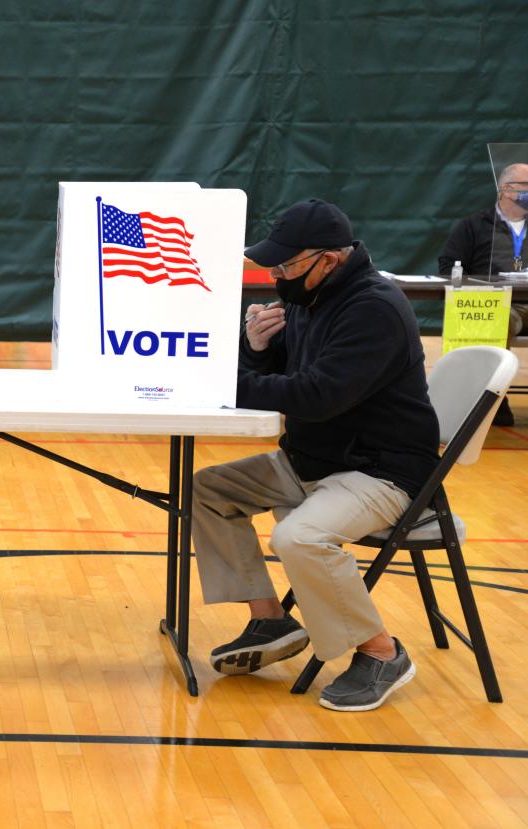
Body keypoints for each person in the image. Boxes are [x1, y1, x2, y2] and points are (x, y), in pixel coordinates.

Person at [195, 199, 440, 712]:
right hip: (312, 460)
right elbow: (283, 372)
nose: (277, 275)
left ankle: (383, 652)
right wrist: (258, 349)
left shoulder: (372, 308)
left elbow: (316, 396)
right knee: (206, 490)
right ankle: (271, 620)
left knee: (298, 536)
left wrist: (220, 381)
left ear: (329, 259)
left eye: (286, 265)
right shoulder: (311, 297)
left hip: (382, 471)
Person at [438, 161, 528, 424]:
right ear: (506, 189)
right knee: (498, 320)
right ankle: (492, 402)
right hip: (495, 305)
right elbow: (448, 266)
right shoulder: (474, 225)